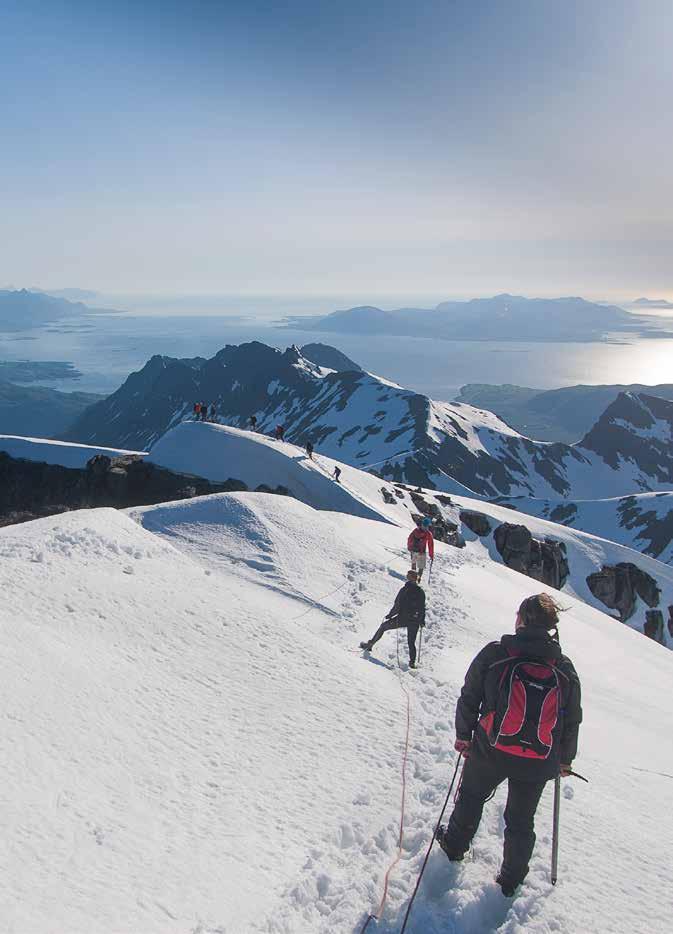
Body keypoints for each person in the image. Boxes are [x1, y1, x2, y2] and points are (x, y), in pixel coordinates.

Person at [436, 594, 583, 897]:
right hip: (539, 759)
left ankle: (454, 847)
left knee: (472, 796)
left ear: (523, 620)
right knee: (520, 819)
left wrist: (464, 735)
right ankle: (510, 879)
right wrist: (564, 760)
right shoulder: (563, 667)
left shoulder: (498, 653)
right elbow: (572, 718)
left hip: (491, 748)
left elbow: (470, 694)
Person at [359, 570, 425, 668]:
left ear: (410, 577)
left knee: (383, 627)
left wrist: (390, 615)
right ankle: (412, 662)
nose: (406, 576)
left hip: (402, 618)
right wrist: (422, 620)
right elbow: (422, 607)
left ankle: (370, 645)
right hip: (415, 620)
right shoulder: (420, 591)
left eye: (408, 575)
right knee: (411, 642)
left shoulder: (405, 589)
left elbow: (397, 605)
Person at [407, 517, 434, 582]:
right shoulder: (428, 534)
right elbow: (430, 545)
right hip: (421, 552)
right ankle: (417, 579)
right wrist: (431, 555)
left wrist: (409, 548)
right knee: (421, 567)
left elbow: (410, 539)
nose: (425, 528)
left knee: (414, 565)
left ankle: (413, 579)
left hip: (414, 551)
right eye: (425, 526)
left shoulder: (416, 531)